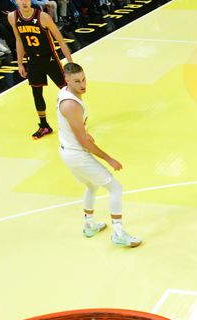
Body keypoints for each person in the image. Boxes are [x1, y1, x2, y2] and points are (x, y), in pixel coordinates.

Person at [57, 62, 142, 247]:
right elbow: (83, 143)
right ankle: (118, 232)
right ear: (67, 80)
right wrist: (109, 158)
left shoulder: (66, 93)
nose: (83, 85)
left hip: (67, 151)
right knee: (115, 188)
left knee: (91, 185)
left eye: (84, 79)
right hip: (77, 154)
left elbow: (70, 126)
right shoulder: (71, 104)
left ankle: (89, 225)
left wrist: (83, 132)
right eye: (77, 81)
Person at [8, 0, 70, 139]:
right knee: (37, 94)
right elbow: (19, 41)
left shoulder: (43, 17)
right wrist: (20, 63)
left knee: (67, 90)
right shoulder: (12, 17)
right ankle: (44, 125)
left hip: (49, 59)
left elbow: (60, 40)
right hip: (33, 60)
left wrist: (70, 63)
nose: (24, 2)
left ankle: (76, 117)